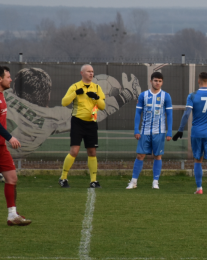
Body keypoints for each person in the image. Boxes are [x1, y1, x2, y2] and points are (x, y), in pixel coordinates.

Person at [5, 68, 141, 158]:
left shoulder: (5, 94)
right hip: (9, 151)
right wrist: (127, 95)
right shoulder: (54, 117)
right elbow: (95, 114)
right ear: (47, 95)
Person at [172, 72, 207, 195]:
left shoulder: (192, 95)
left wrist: (180, 130)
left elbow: (186, 114)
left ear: (198, 81)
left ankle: (199, 189)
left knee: (197, 160)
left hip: (196, 133)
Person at [59, 64, 106, 188]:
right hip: (77, 122)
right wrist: (75, 93)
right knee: (74, 151)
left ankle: (93, 181)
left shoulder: (96, 87)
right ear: (82, 73)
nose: (91, 74)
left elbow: (103, 106)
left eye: (92, 71)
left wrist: (96, 98)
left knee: (92, 152)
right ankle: (63, 178)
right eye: (88, 71)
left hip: (91, 123)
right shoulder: (75, 86)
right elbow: (64, 102)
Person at [126, 72, 173, 189]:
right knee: (140, 155)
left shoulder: (166, 96)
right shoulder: (143, 95)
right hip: (145, 131)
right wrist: (136, 130)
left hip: (159, 131)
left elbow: (169, 114)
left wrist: (169, 131)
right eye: (156, 80)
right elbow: (138, 113)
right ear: (151, 81)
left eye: (160, 81)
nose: (158, 83)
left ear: (162, 82)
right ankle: (133, 181)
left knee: (157, 156)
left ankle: (155, 182)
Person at [0, 66, 31, 226]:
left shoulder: (2, 95)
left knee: (11, 179)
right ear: (0, 79)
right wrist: (10, 137)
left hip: (1, 147)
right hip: (2, 142)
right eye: (8, 77)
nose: (10, 79)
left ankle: (12, 215)